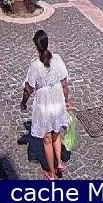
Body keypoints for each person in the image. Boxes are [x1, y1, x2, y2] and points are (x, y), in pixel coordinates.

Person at [20, 30, 70, 180]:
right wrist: (66, 101)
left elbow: (28, 88)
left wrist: (23, 102)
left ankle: (51, 173)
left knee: (47, 139)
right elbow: (64, 83)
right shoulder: (57, 59)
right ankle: (59, 163)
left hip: (44, 104)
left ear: (36, 46)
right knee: (56, 134)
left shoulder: (35, 66)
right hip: (57, 100)